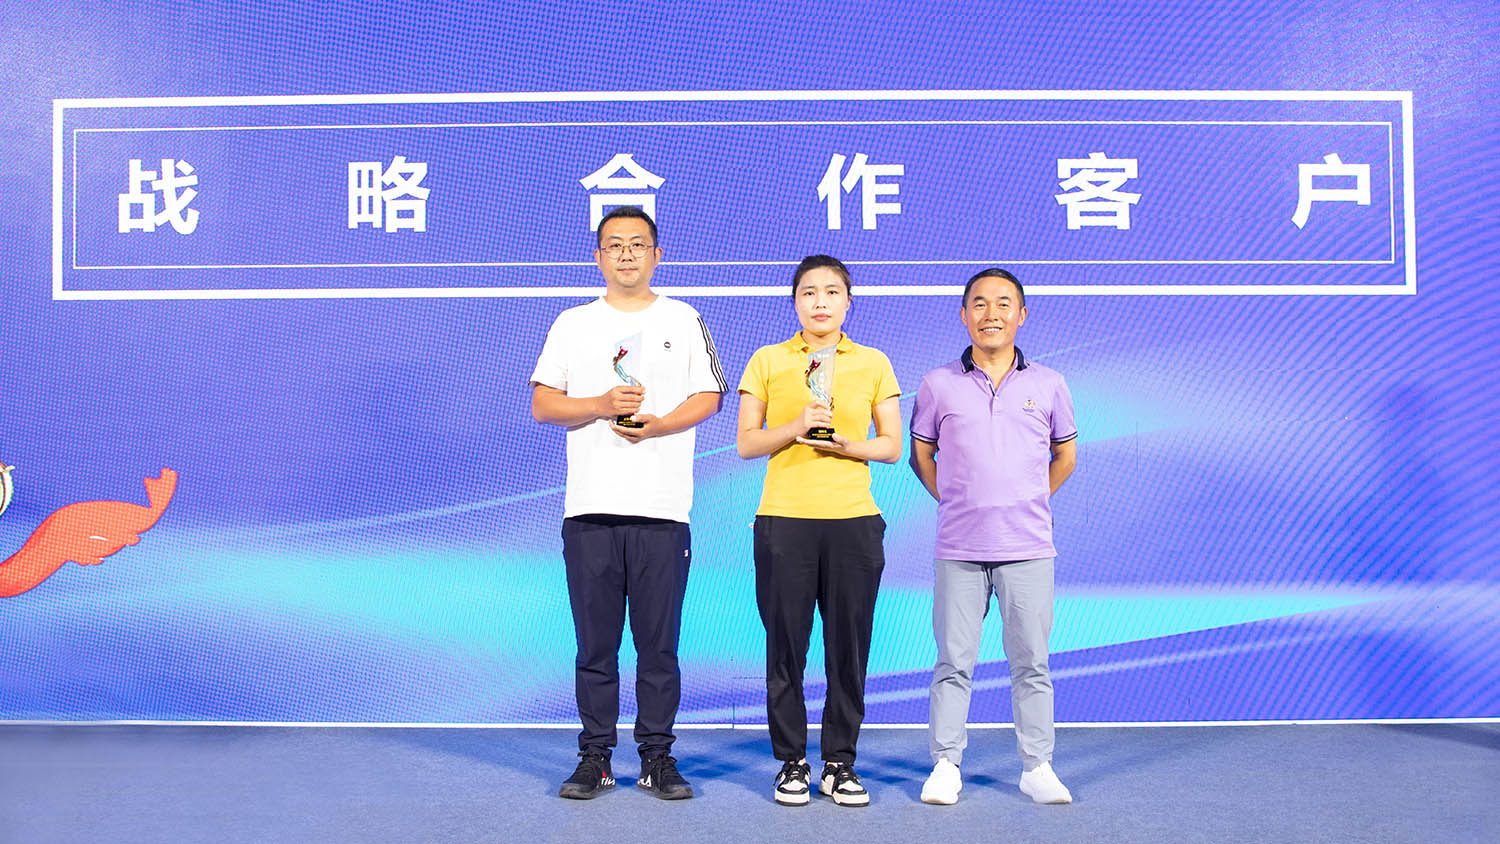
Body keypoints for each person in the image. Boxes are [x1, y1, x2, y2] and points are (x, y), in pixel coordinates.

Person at [529, 206, 727, 801]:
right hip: (590, 511)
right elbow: (543, 404)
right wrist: (599, 405)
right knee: (596, 647)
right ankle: (595, 757)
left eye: (637, 244)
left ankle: (656, 758)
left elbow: (711, 394)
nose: (626, 254)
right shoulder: (573, 323)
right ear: (598, 257)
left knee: (658, 648)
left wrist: (659, 424)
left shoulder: (683, 318)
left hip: (661, 512)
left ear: (657, 255)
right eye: (614, 244)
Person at [736, 255, 902, 807]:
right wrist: (796, 427)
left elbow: (892, 446)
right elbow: (747, 443)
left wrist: (849, 446)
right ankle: (791, 762)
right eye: (809, 292)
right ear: (795, 302)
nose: (821, 302)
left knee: (847, 649)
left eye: (832, 292)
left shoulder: (873, 362)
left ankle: (839, 762)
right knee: (785, 647)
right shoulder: (768, 360)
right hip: (784, 520)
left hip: (853, 521)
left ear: (848, 302)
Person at [909, 268, 1078, 806]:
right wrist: (959, 501)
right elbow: (921, 455)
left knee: (1032, 662)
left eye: (1004, 303)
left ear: (1021, 315)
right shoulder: (937, 384)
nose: (991, 314)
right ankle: (945, 765)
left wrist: (1026, 500)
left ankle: (1037, 766)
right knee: (953, 662)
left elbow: (1065, 455)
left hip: (1028, 548)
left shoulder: (1048, 384)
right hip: (959, 549)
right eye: (979, 304)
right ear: (964, 315)